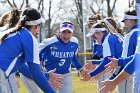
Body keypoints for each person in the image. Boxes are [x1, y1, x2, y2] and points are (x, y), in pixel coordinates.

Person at [0, 8, 63, 93]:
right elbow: (36, 74)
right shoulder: (28, 37)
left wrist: (45, 75)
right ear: (36, 26)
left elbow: (21, 67)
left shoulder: (8, 31)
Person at [39, 21, 88, 93]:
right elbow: (37, 52)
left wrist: (81, 69)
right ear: (59, 32)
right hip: (51, 74)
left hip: (65, 74)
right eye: (64, 32)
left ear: (72, 33)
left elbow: (73, 56)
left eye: (69, 32)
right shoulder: (49, 42)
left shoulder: (74, 42)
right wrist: (40, 65)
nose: (66, 35)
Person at [100, 6, 140, 93]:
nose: (124, 24)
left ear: (132, 20)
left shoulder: (130, 35)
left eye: (125, 20)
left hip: (129, 74)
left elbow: (125, 63)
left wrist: (113, 79)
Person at [82, 22, 123, 93]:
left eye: (94, 37)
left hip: (125, 69)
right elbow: (112, 60)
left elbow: (107, 61)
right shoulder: (114, 36)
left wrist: (91, 74)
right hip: (126, 68)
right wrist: (94, 62)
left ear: (100, 33)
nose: (94, 40)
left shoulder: (107, 40)